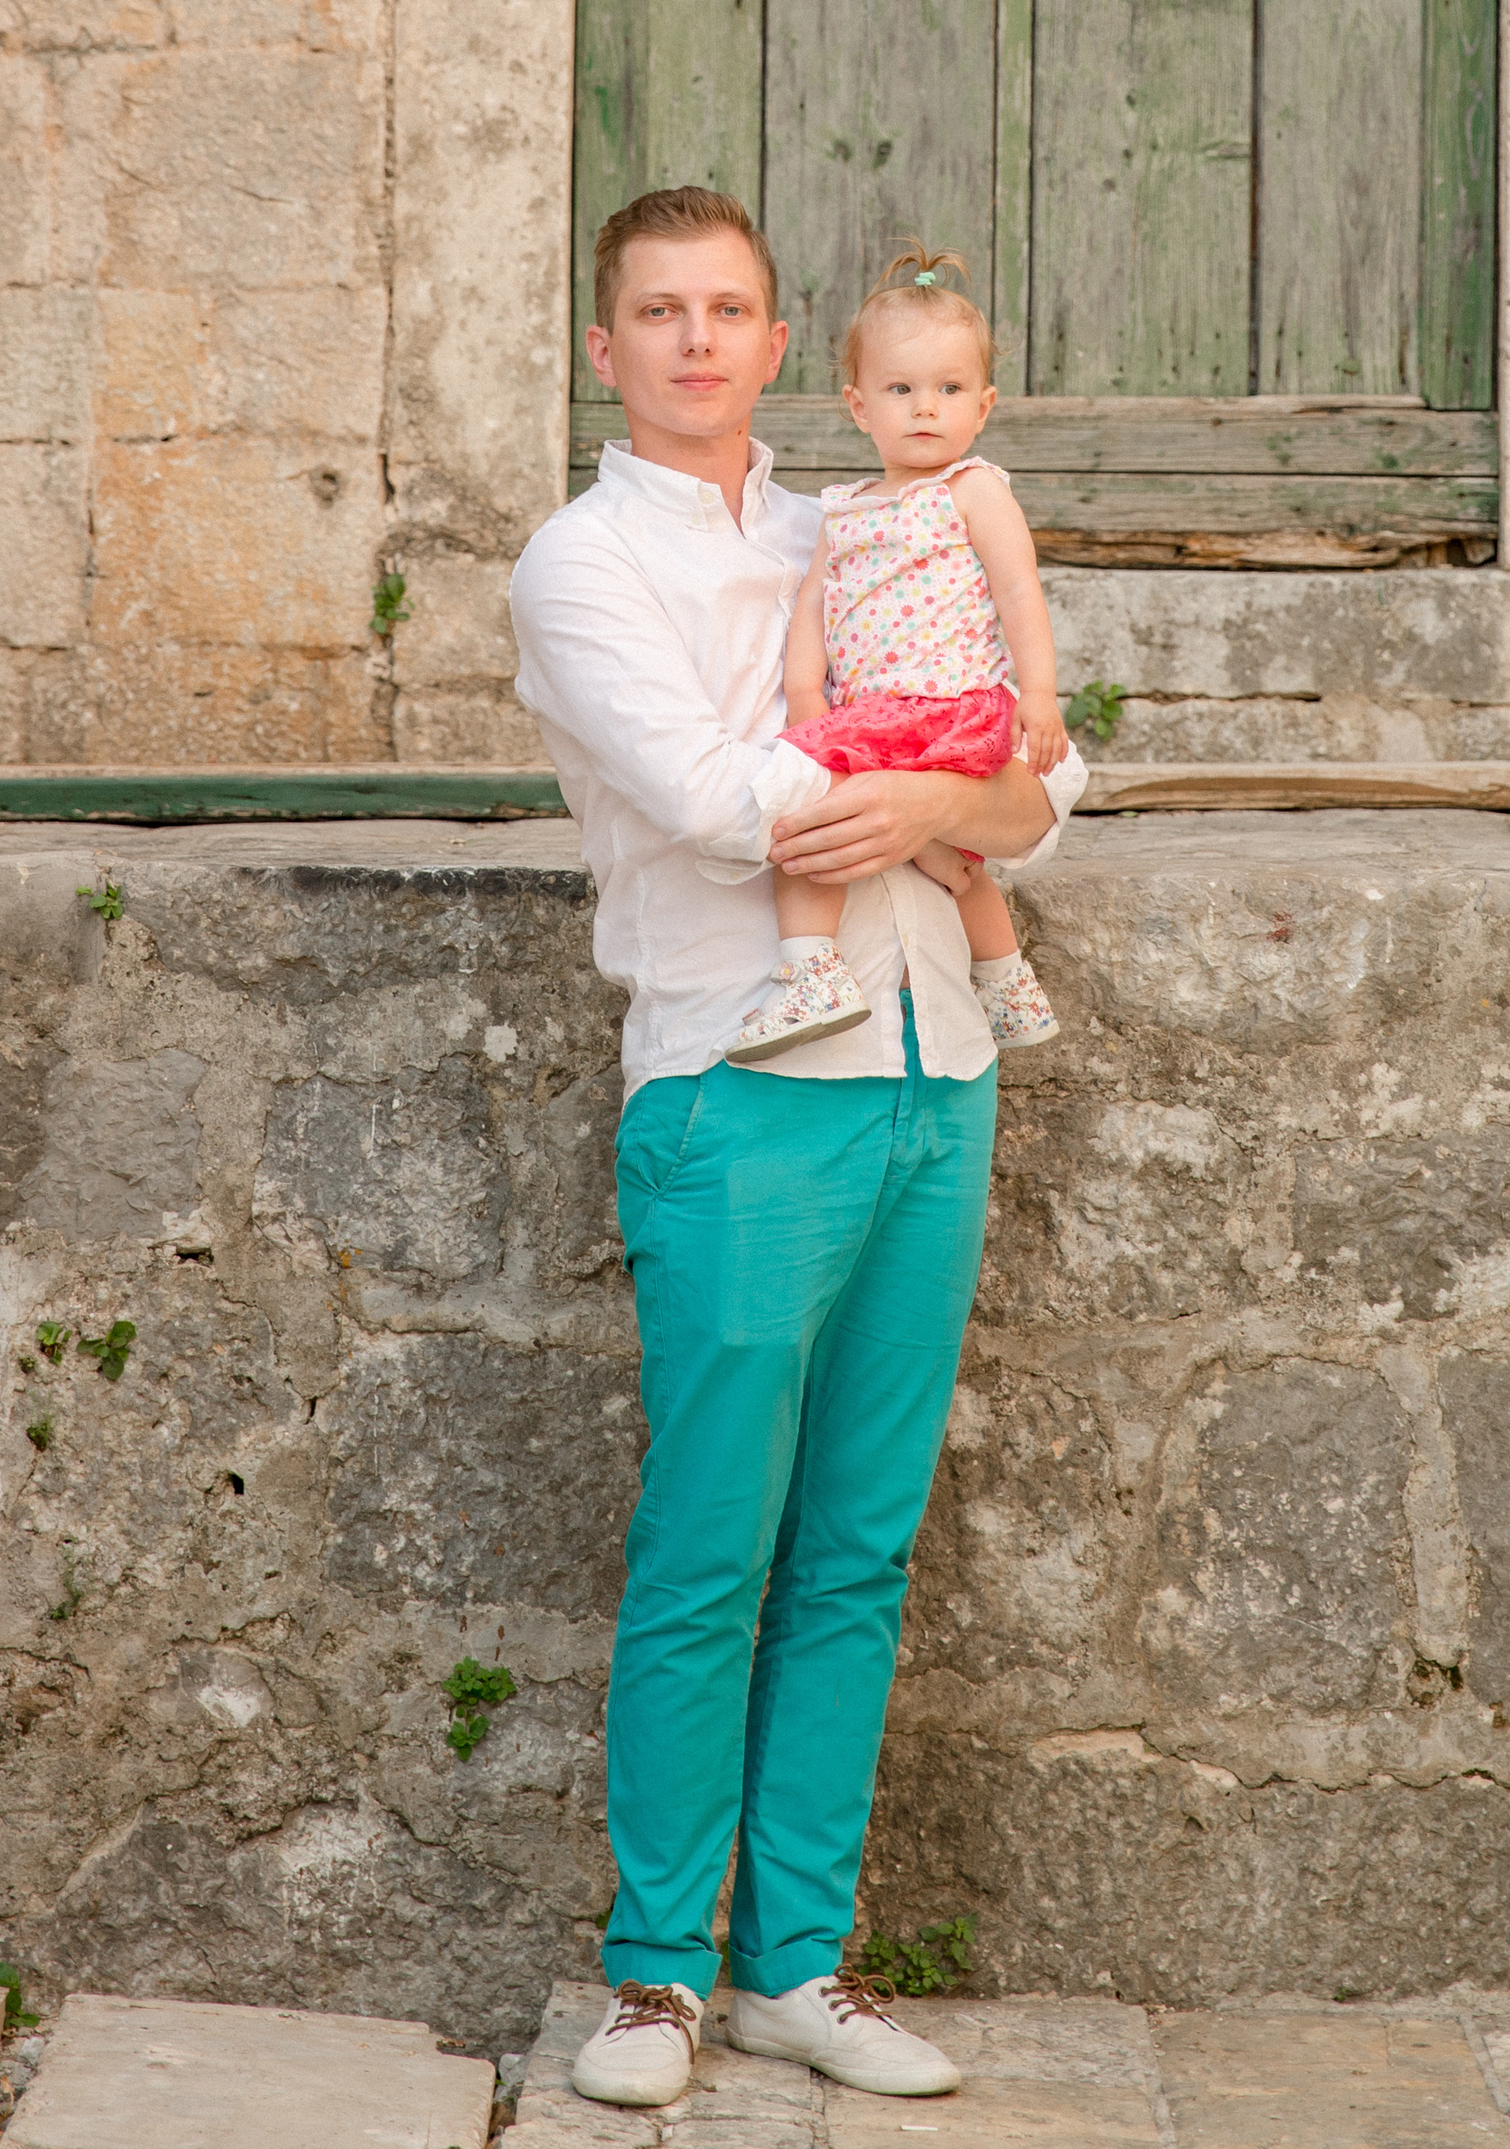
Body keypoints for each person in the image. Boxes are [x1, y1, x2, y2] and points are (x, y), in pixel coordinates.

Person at [508, 185, 1087, 2112]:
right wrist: (952, 785)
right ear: (608, 349)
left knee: (856, 1551)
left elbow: (1053, 793)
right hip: (740, 1096)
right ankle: (656, 1975)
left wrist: (971, 789)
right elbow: (712, 798)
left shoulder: (876, 511)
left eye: (729, 309)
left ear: (781, 345)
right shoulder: (585, 564)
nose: (694, 339)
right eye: (657, 312)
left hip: (937, 1078)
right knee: (708, 1551)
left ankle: (798, 1965)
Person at [731, 250, 1062, 1065]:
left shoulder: (974, 490)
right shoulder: (841, 509)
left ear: (983, 406)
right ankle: (818, 973)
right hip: (869, 715)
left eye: (949, 390)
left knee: (864, 834)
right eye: (901, 389)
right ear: (858, 405)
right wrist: (807, 699)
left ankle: (1005, 977)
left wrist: (1042, 696)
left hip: (952, 705)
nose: (925, 409)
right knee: (881, 832)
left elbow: (1020, 593)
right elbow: (815, 603)